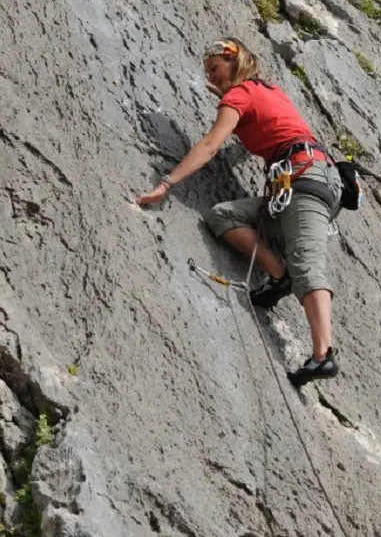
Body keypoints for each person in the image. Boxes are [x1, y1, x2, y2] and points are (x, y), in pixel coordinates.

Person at [135, 38, 343, 386]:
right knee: (222, 216)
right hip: (301, 181)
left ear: (235, 63)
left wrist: (167, 183)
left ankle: (323, 355)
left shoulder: (240, 95)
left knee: (307, 263)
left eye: (215, 69)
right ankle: (279, 277)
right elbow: (279, 128)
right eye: (209, 73)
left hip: (305, 179)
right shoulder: (268, 89)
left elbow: (210, 145)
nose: (212, 78)